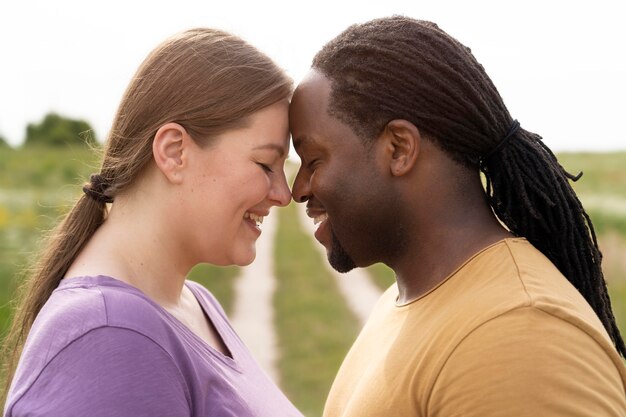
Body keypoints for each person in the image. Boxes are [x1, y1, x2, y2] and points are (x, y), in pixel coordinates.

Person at [290, 16, 626, 417]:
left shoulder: (518, 336)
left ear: (399, 149)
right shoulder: (415, 301)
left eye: (312, 160)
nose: (299, 189)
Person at [2, 28, 303, 417]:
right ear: (174, 152)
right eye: (265, 165)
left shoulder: (196, 305)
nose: (283, 194)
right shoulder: (109, 338)